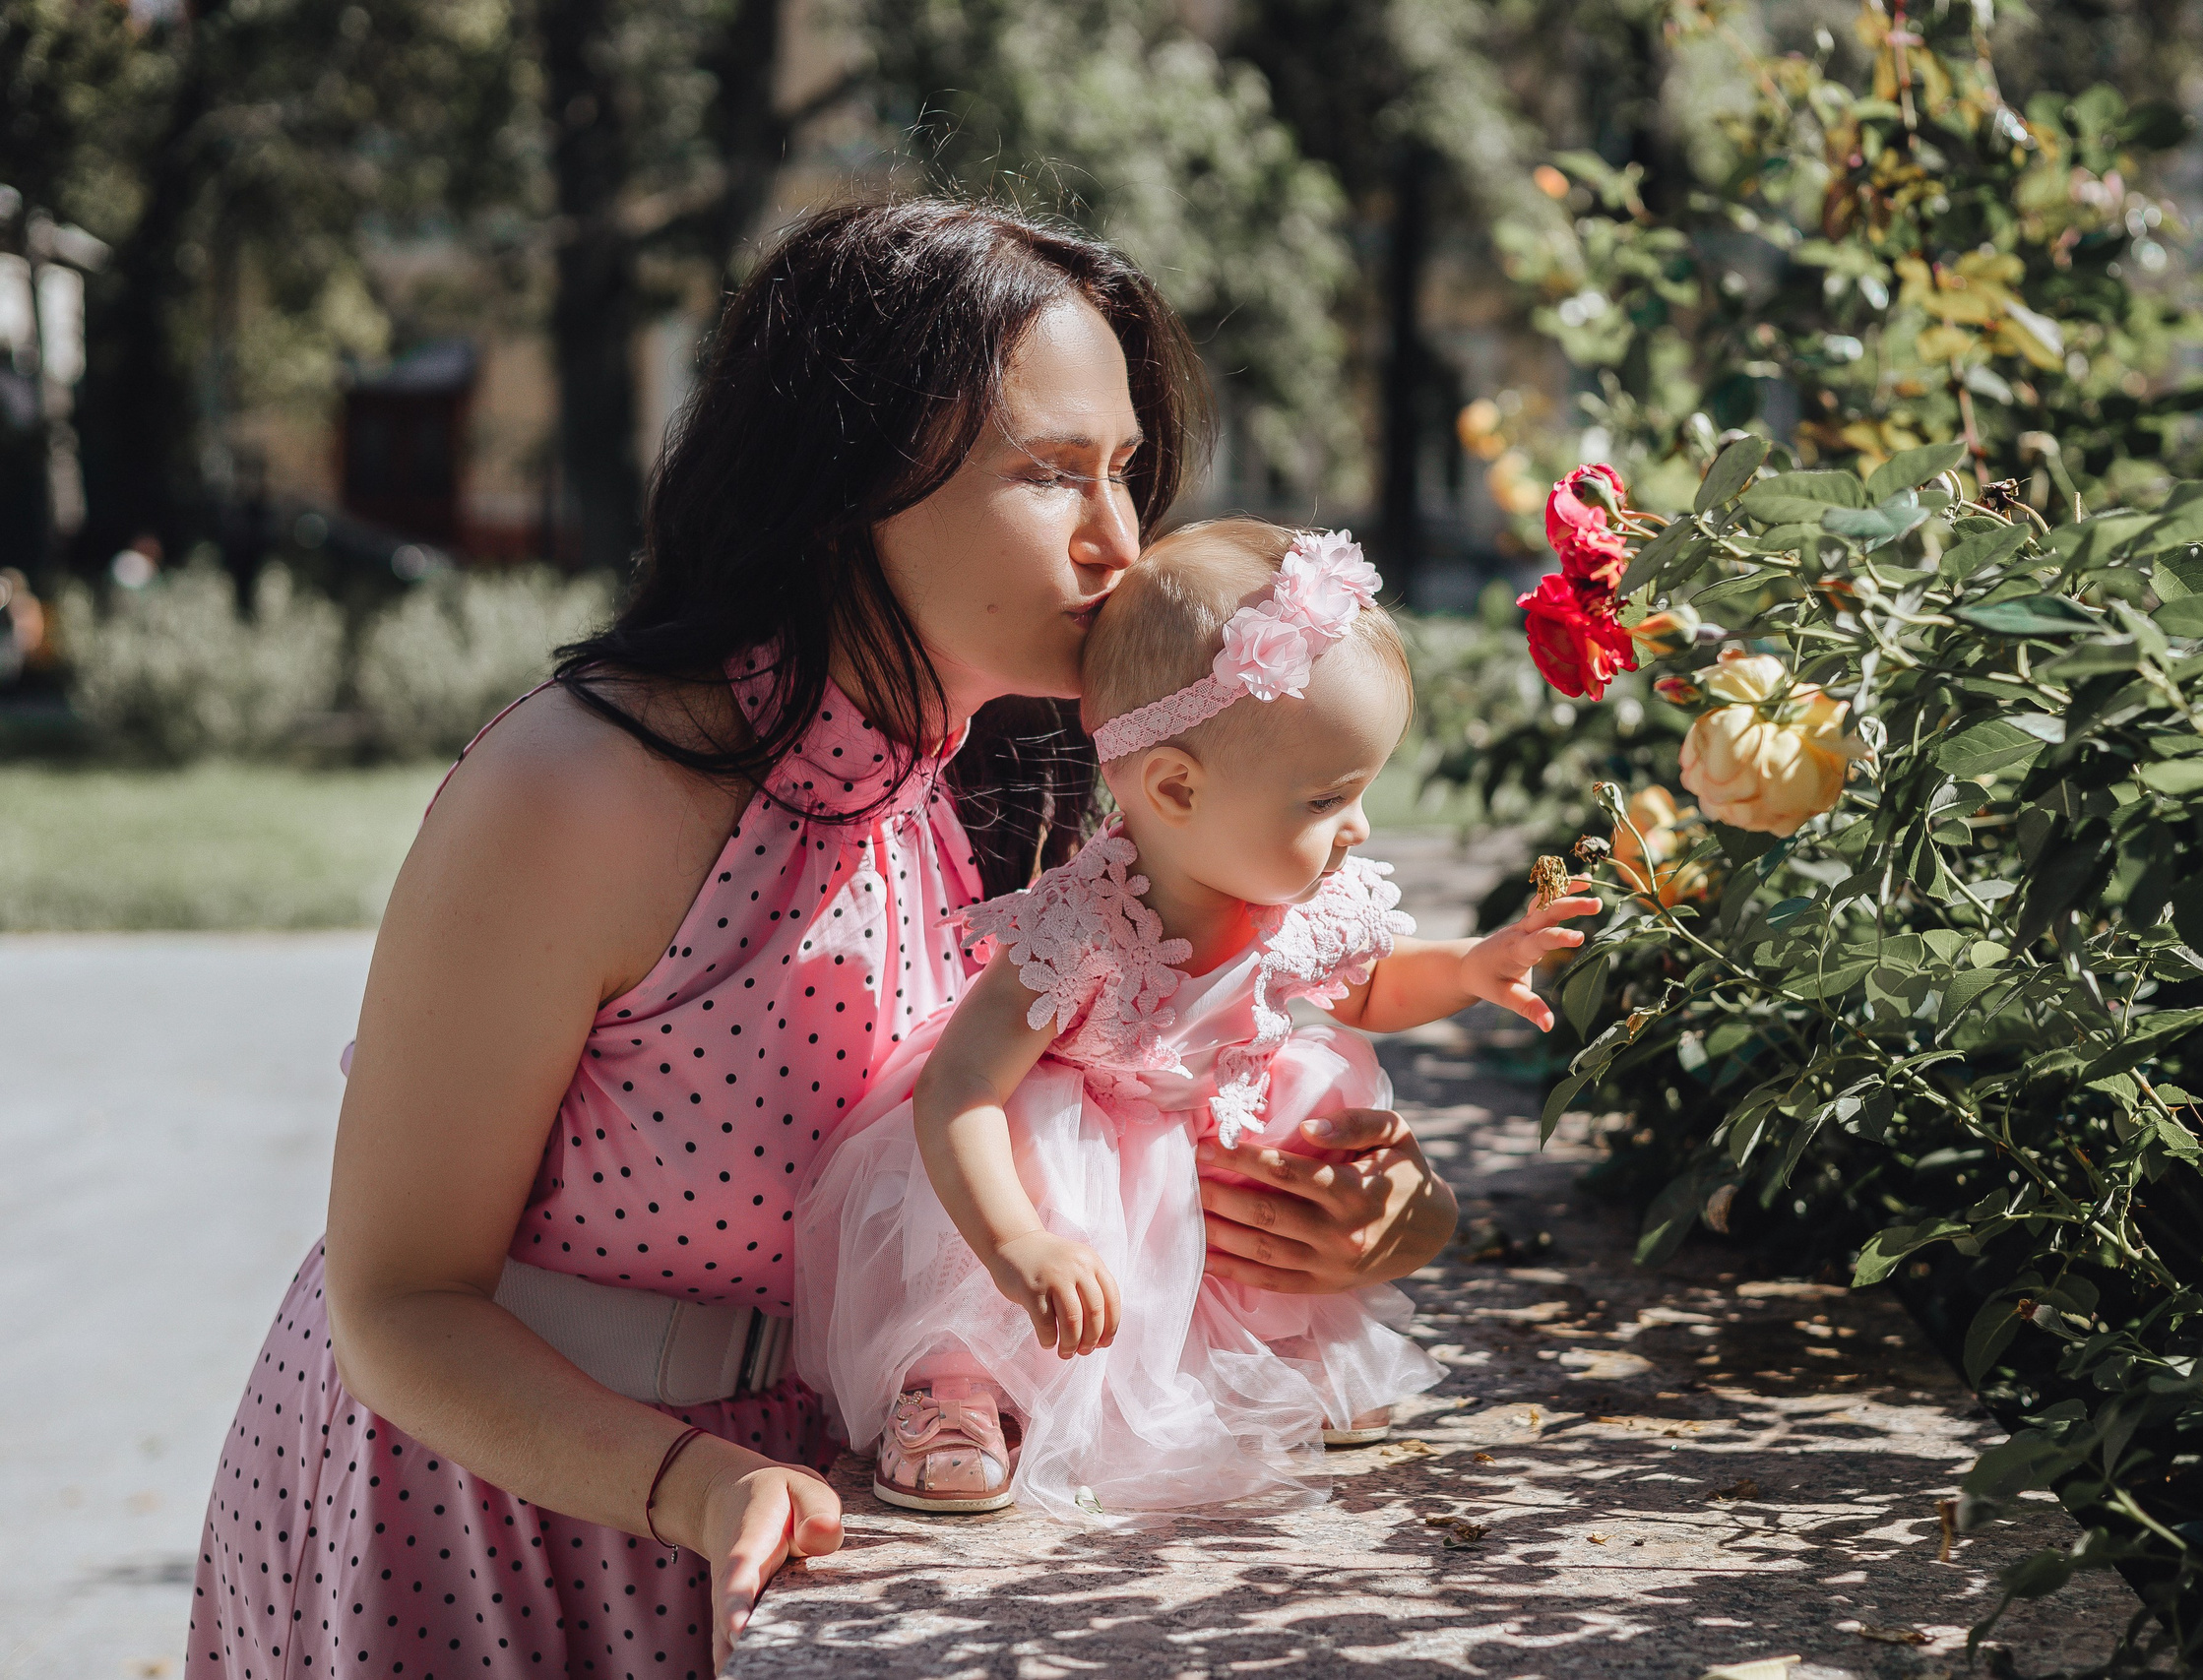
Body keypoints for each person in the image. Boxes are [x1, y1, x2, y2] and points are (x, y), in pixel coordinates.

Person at [186, 200, 1461, 1680]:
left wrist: (1376, 1216)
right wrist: (686, 1481)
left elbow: (1174, 1091)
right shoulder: (578, 792)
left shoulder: (1020, 786)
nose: (1122, 540)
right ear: (846, 481)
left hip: (833, 1504)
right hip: (510, 1518)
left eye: (1126, 470)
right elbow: (395, 1304)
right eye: (1053, 474)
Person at [793, 522, 1595, 1519]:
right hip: (1079, 1173)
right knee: (1043, 1166)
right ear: (1175, 788)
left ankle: (1268, 1344)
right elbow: (961, 1088)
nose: (1360, 827)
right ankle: (963, 1384)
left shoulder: (1292, 906)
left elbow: (1370, 986)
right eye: (1327, 797)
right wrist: (1016, 1246)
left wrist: (1471, 968)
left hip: (1196, 1178)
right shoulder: (1082, 925)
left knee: (1304, 1087)